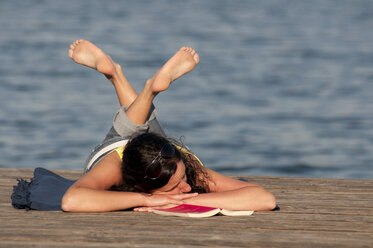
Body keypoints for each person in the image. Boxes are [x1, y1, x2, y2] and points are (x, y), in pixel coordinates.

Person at [60, 40, 276, 213]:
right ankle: (125, 79)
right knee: (131, 127)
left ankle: (126, 80)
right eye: (175, 187)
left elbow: (264, 198)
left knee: (135, 124)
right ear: (141, 187)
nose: (188, 188)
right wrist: (148, 200)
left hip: (157, 148)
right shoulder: (113, 167)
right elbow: (72, 201)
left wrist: (178, 200)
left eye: (182, 178)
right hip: (118, 150)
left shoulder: (186, 167)